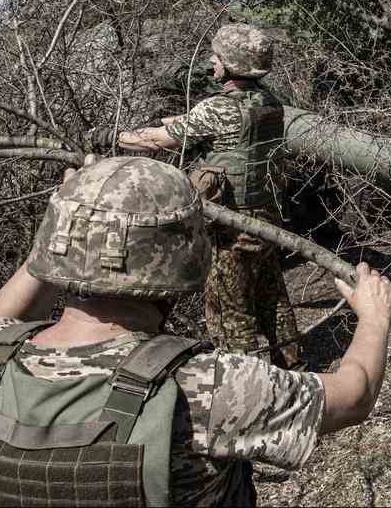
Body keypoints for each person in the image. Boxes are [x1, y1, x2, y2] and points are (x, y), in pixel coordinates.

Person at [0, 156, 391, 506]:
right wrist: (374, 317)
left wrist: (76, 218)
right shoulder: (203, 386)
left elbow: (4, 315)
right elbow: (354, 395)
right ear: (185, 257)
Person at [86, 22, 302, 368]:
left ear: (231, 65)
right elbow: (212, 127)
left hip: (232, 227)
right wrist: (178, 120)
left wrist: (110, 135)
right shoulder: (271, 102)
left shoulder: (216, 109)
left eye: (217, 57)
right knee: (272, 296)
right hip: (267, 217)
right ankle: (292, 366)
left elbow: (156, 140)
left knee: (228, 309)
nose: (211, 62)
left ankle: (243, 382)